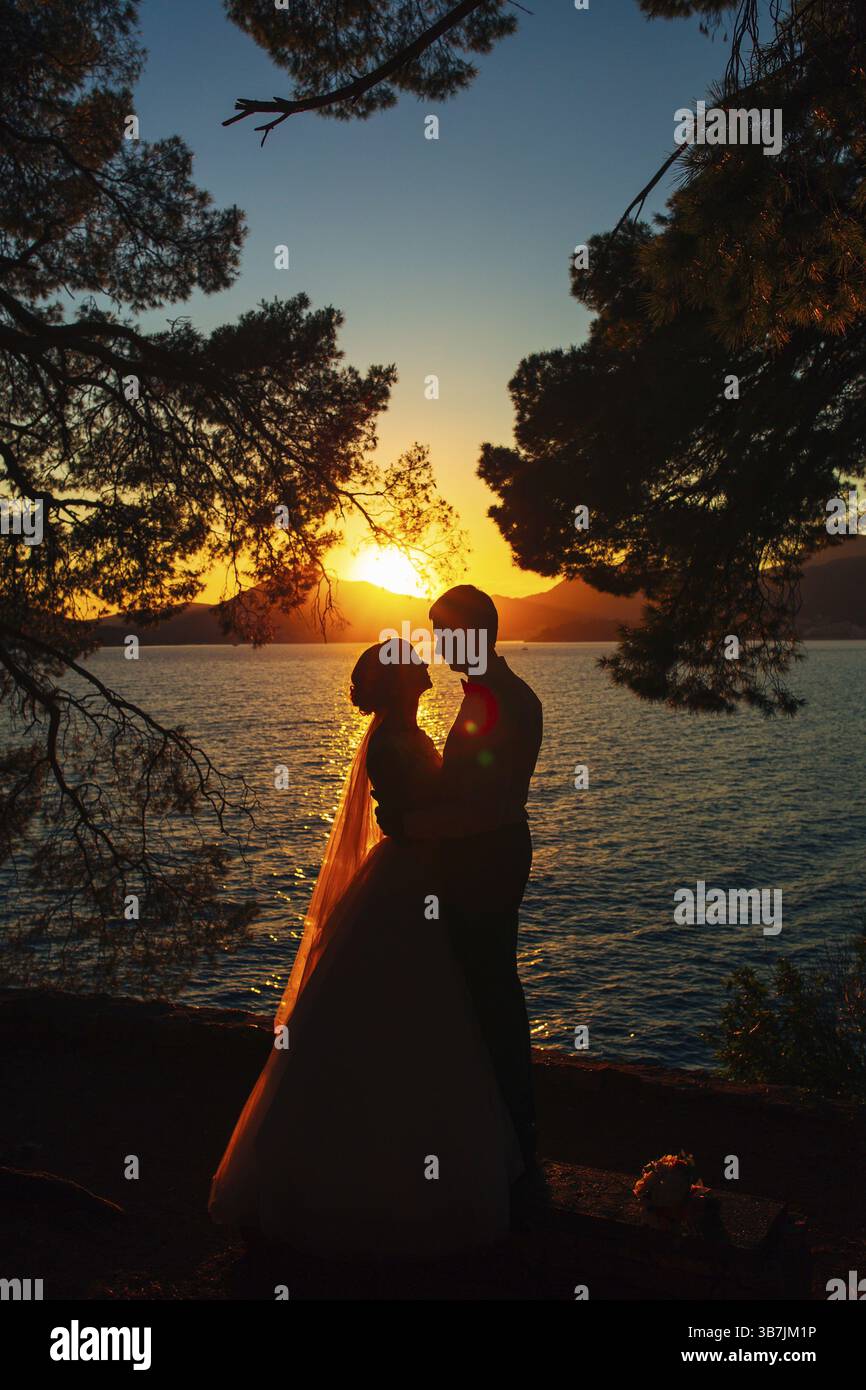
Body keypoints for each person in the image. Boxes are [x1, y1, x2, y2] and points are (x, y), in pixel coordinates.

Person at [209, 640, 521, 1258]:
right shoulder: (393, 742)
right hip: (407, 879)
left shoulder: (404, 733)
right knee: (401, 1010)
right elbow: (409, 816)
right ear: (403, 680)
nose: (429, 670)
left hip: (416, 876)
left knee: (404, 1016)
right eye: (418, 665)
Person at [375, 586, 543, 1178]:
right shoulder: (492, 696)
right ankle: (498, 1128)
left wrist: (407, 822)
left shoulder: (501, 701)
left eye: (446, 634)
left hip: (485, 862)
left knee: (489, 989)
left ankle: (510, 1135)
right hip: (483, 857)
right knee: (482, 988)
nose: (439, 648)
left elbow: (489, 807)